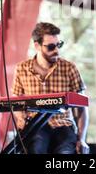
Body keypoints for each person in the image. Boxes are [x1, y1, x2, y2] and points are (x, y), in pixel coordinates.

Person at [12, 22, 89, 154]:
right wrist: (20, 118)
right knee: (36, 149)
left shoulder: (69, 68)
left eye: (59, 45)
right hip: (35, 126)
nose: (56, 50)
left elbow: (82, 108)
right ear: (37, 46)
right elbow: (16, 102)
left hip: (63, 125)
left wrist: (81, 139)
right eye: (51, 47)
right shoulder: (21, 69)